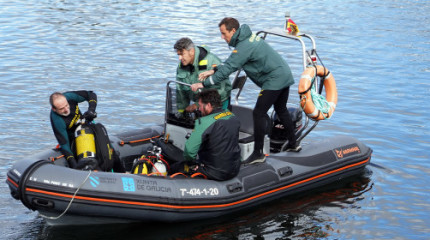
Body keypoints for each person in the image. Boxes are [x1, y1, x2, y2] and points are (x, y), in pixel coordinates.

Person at [192, 17, 301, 165]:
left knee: (258, 113)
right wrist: (213, 70)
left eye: (224, 33)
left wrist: (203, 84)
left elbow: (230, 67)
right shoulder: (246, 39)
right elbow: (233, 62)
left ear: (233, 31)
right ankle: (294, 144)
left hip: (274, 79)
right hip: (283, 73)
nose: (222, 37)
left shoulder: (243, 46)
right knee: (280, 109)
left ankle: (258, 153)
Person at [182, 88, 241, 181]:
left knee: (177, 167)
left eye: (200, 106)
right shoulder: (232, 116)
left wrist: (190, 162)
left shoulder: (204, 122)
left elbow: (189, 152)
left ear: (208, 105)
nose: (199, 109)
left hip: (214, 172)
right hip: (234, 169)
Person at [174, 37, 232, 114]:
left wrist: (197, 105)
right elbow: (180, 92)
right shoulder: (181, 68)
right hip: (201, 105)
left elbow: (221, 89)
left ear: (191, 51)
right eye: (178, 55)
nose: (179, 58)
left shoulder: (211, 61)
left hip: (219, 102)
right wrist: (181, 112)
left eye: (182, 54)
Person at [49, 91, 97, 169]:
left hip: (87, 127)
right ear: (54, 109)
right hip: (75, 140)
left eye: (66, 105)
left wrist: (91, 110)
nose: (66, 109)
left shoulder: (70, 97)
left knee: (107, 147)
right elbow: (65, 145)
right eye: (61, 109)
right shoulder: (57, 120)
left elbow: (91, 94)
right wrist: (74, 166)